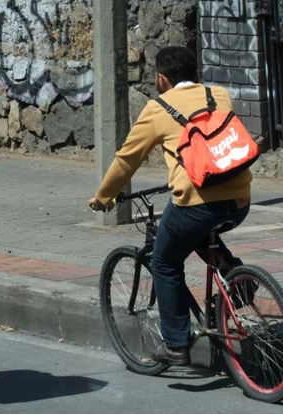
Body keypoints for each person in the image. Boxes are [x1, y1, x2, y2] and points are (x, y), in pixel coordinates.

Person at [88, 46, 252, 366]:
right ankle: (238, 283)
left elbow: (127, 159)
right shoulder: (218, 94)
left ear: (161, 78)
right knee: (201, 233)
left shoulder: (157, 108)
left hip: (196, 203)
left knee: (164, 261)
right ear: (196, 72)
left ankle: (177, 345)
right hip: (240, 198)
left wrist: (103, 197)